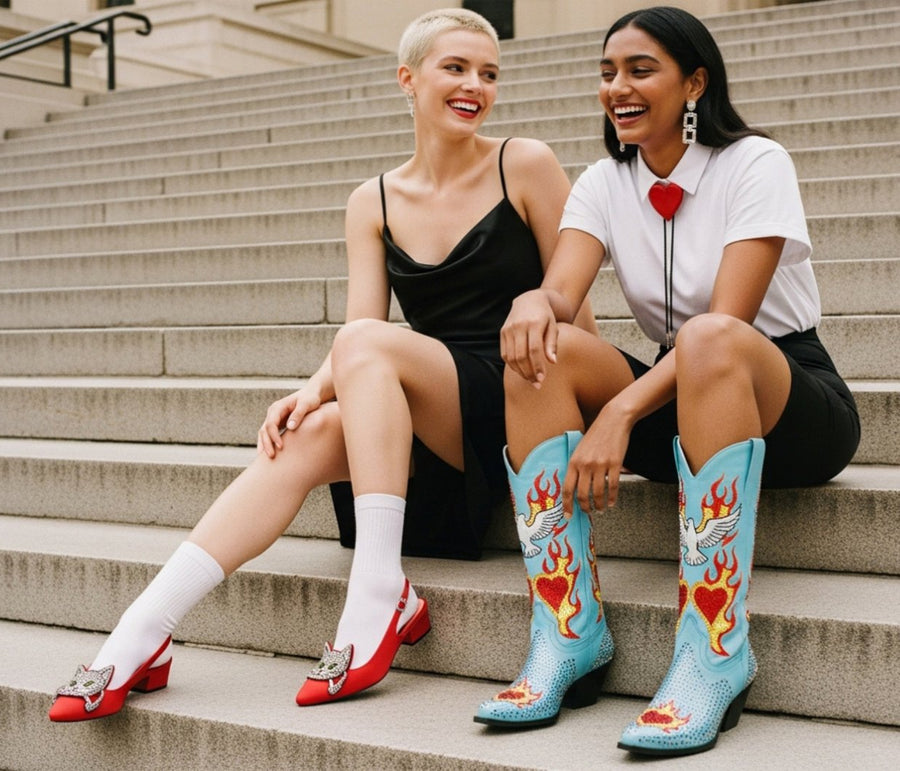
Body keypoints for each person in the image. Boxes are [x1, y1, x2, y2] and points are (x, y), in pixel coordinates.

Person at [49, 8, 596, 722]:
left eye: (488, 73)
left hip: (523, 399)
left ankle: (377, 592)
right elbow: (358, 331)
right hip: (433, 410)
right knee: (305, 431)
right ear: (408, 78)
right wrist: (310, 391)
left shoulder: (522, 161)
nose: (475, 86)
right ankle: (143, 629)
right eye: (455, 68)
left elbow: (575, 317)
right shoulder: (370, 201)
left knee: (367, 347)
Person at [480, 6, 859, 757]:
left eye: (641, 69)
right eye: (608, 72)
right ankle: (566, 632)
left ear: (694, 84)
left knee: (713, 335)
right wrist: (534, 300)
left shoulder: (755, 162)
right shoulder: (601, 181)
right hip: (679, 396)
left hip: (788, 399)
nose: (618, 86)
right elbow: (562, 289)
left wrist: (620, 409)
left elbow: (731, 320)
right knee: (538, 344)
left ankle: (714, 653)